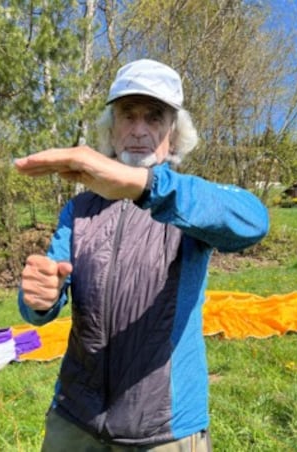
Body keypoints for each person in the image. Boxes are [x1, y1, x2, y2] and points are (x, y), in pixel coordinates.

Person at [14, 59, 269, 451]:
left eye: (153, 117)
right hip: (75, 419)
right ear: (111, 129)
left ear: (173, 134)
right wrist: (38, 298)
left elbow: (253, 221)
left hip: (162, 430)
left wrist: (143, 185)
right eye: (127, 115)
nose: (138, 130)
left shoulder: (189, 201)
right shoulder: (79, 210)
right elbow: (46, 296)